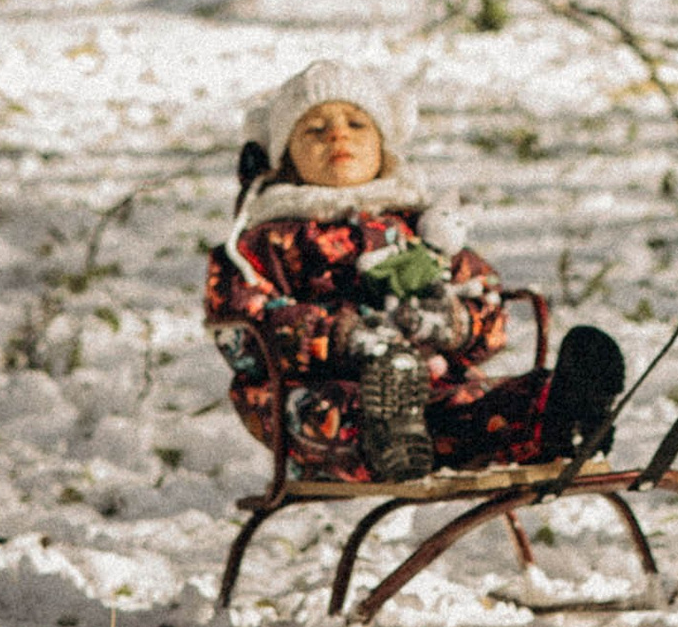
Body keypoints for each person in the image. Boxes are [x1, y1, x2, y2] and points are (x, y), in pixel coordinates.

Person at [205, 58, 623, 481]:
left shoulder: (415, 227)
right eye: (314, 129)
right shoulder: (264, 239)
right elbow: (241, 323)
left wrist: (451, 322)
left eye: (356, 123)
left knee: (483, 407)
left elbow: (483, 296)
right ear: (285, 156)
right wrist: (344, 336)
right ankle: (387, 437)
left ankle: (566, 415)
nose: (337, 134)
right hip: (322, 396)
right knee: (330, 410)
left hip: (432, 390)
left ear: (383, 147)